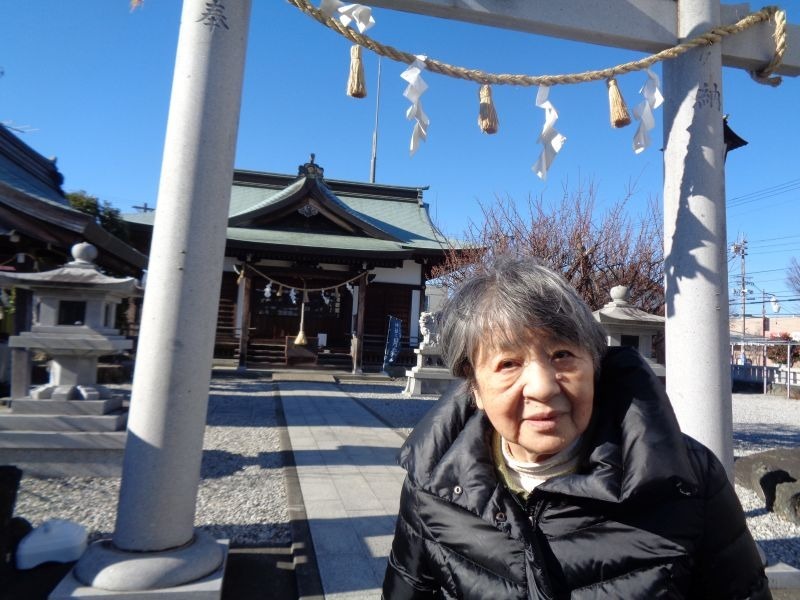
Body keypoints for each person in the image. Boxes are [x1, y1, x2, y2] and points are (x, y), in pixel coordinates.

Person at [382, 255, 770, 599]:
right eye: (508, 364)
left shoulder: (688, 480)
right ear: (475, 388)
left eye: (562, 355)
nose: (543, 387)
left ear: (595, 365)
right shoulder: (432, 486)